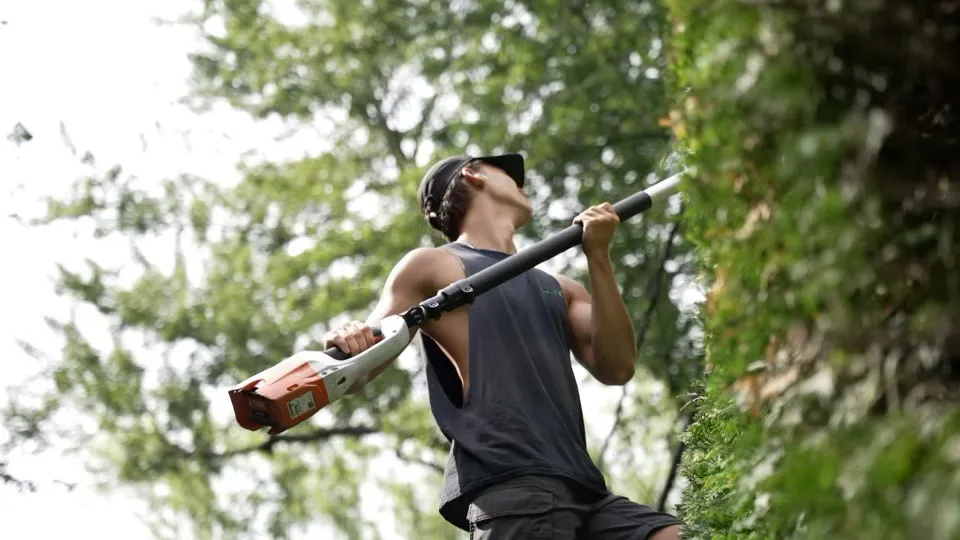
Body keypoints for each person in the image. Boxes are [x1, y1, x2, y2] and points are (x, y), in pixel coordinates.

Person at [323, 153, 683, 539]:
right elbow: (367, 354)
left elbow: (617, 366)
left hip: (587, 490)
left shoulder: (560, 287)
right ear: (472, 175)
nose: (522, 184)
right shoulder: (435, 266)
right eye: (508, 174)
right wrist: (350, 339)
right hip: (514, 489)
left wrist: (599, 256)